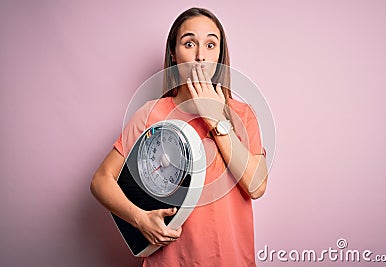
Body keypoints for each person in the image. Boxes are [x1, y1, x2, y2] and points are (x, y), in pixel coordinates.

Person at [91, 7, 268, 266]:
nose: (200, 56)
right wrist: (140, 219)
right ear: (173, 54)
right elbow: (101, 181)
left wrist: (214, 117)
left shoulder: (242, 114)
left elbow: (257, 186)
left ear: (219, 55)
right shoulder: (151, 113)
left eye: (210, 44)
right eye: (189, 43)